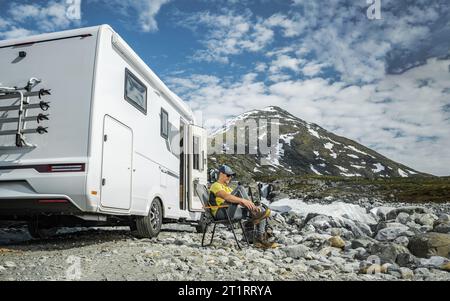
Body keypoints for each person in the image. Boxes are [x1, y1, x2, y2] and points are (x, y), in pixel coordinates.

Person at [209, 165, 276, 248]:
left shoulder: (228, 188)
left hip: (229, 211)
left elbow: (237, 201)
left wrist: (253, 206)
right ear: (221, 174)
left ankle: (260, 240)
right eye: (228, 175)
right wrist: (243, 200)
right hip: (221, 213)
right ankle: (254, 214)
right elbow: (226, 197)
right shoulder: (215, 185)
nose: (230, 178)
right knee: (240, 188)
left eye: (231, 176)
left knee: (261, 210)